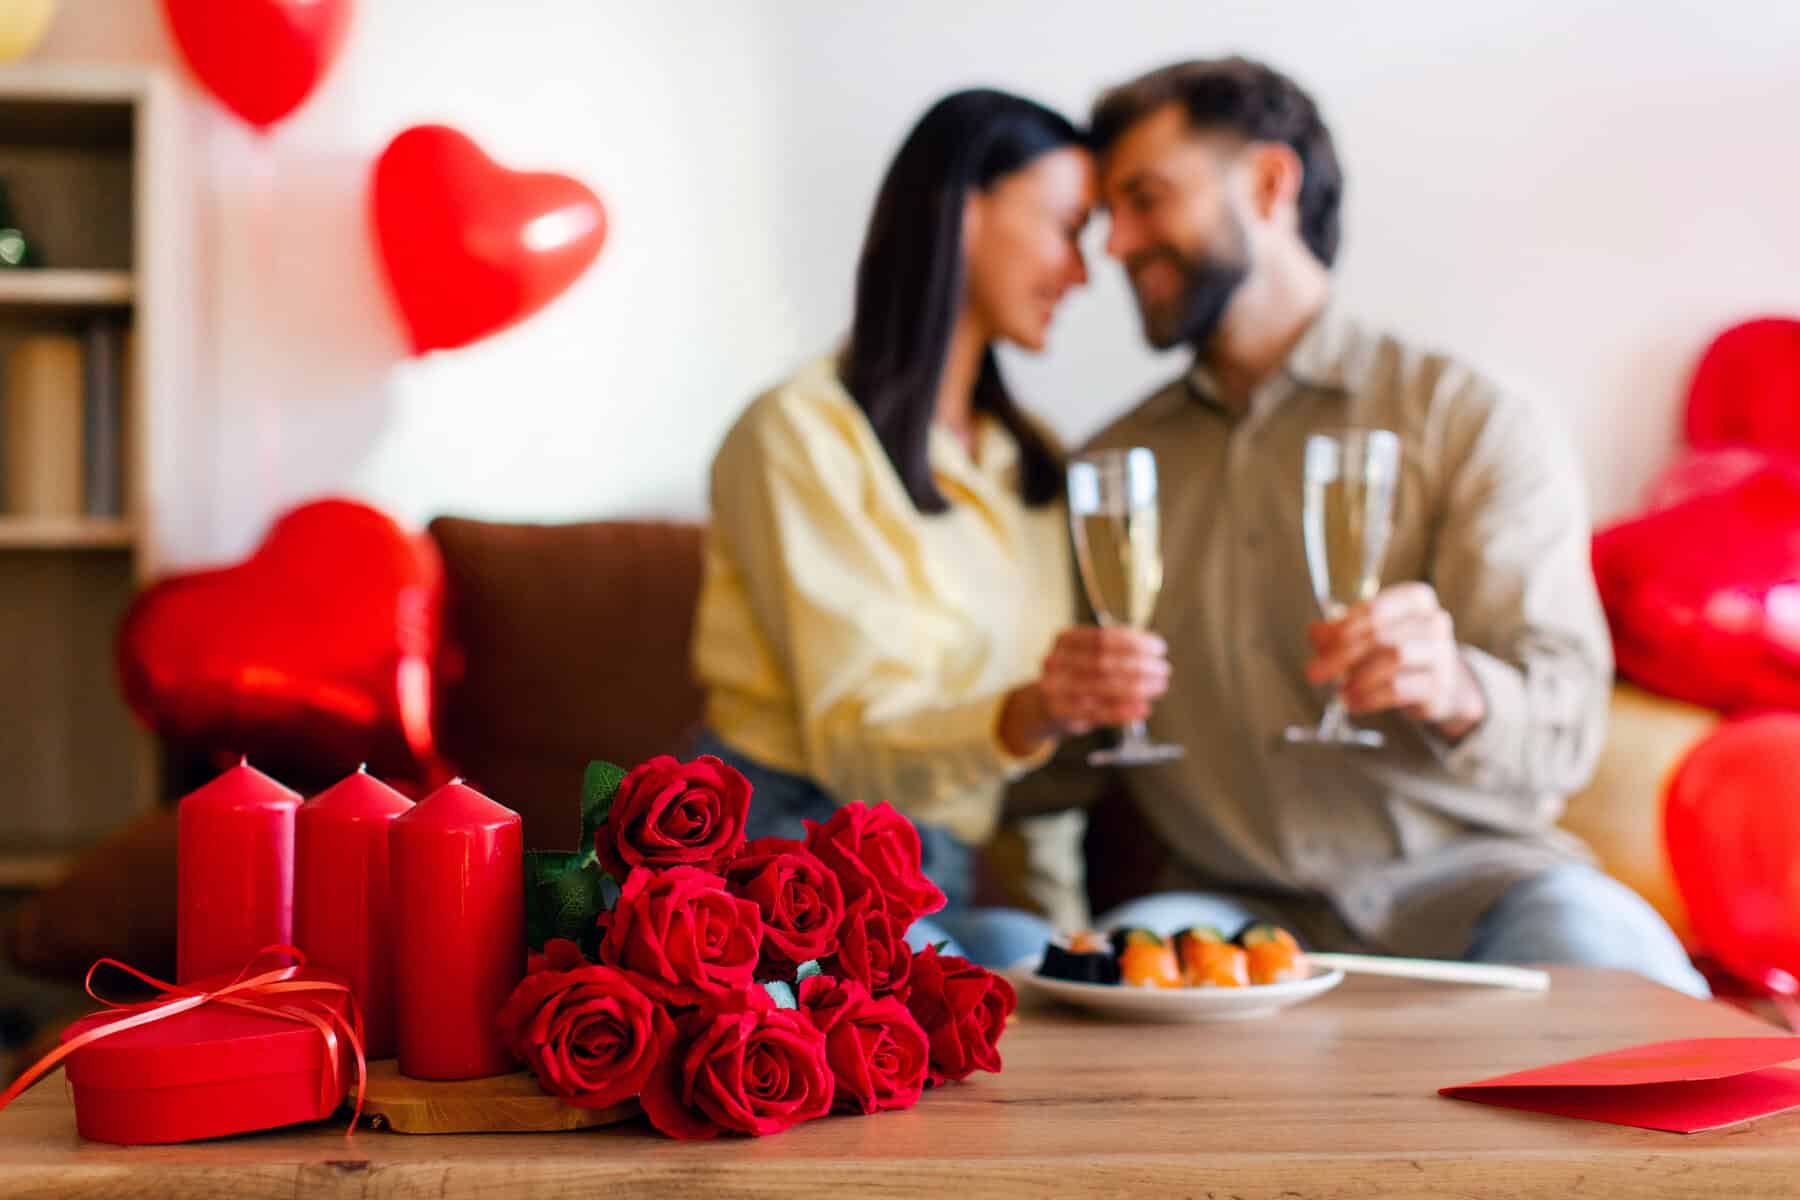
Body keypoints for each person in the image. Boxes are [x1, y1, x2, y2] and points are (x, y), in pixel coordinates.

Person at [1013, 56, 1706, 996]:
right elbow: (1051, 781)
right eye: (1107, 215)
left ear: (1268, 184)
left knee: (1633, 995)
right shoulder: (1110, 469)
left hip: (1479, 888)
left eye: (1145, 197)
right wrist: (1050, 709)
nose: (1119, 243)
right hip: (1221, 903)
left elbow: (1566, 729)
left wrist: (1458, 686)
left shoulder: (1470, 418)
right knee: (1111, 987)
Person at [689, 89, 1169, 966]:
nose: (1083, 270)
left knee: (1033, 962)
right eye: (1067, 226)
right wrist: (1029, 711)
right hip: (781, 851)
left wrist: (1076, 943)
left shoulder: (1032, 464)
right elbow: (855, 741)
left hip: (934, 871)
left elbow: (1034, 778)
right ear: (965, 210)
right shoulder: (798, 434)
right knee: (932, 999)